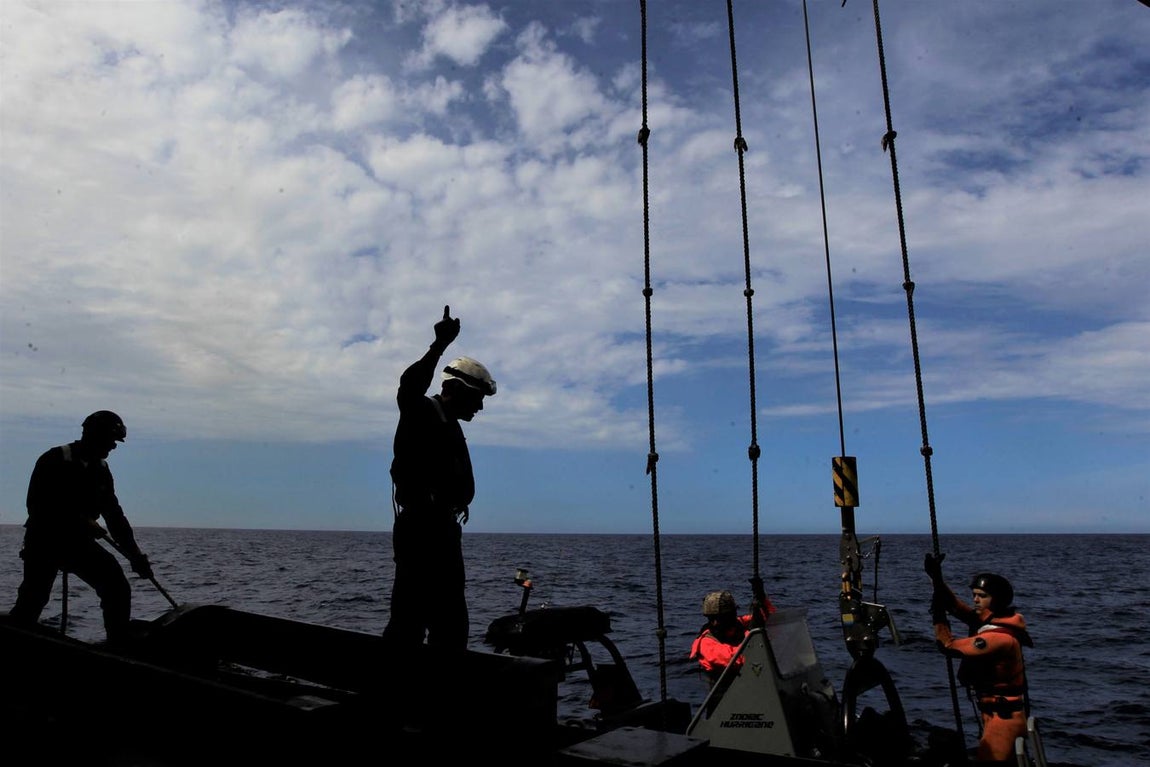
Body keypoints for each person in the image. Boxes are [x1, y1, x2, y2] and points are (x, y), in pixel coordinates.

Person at [381, 305, 496, 653]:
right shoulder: (421, 412)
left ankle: (438, 699)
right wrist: (439, 345)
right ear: (457, 390)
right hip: (421, 532)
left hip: (443, 532)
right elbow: (409, 387)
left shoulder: (451, 426)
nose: (479, 407)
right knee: (409, 623)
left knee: (450, 628)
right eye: (477, 398)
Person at [9, 410, 154, 642]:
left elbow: (114, 515)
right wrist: (77, 521)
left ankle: (118, 647)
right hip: (45, 541)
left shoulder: (102, 470)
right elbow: (37, 505)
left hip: (78, 545)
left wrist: (135, 555)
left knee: (116, 586)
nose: (114, 447)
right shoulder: (54, 459)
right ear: (94, 435)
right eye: (111, 440)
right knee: (33, 598)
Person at [924, 553, 1033, 764]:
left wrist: (937, 616)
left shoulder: (998, 638)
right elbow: (954, 605)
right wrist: (936, 578)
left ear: (997, 600)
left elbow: (948, 646)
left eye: (981, 596)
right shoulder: (992, 622)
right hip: (994, 712)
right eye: (974, 594)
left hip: (1004, 719)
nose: (975, 600)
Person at [689, 589, 775, 686]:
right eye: (712, 618)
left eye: (723, 617)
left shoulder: (736, 624)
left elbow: (770, 618)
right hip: (724, 695)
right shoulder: (706, 644)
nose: (715, 622)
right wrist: (752, 633)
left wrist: (762, 600)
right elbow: (738, 659)